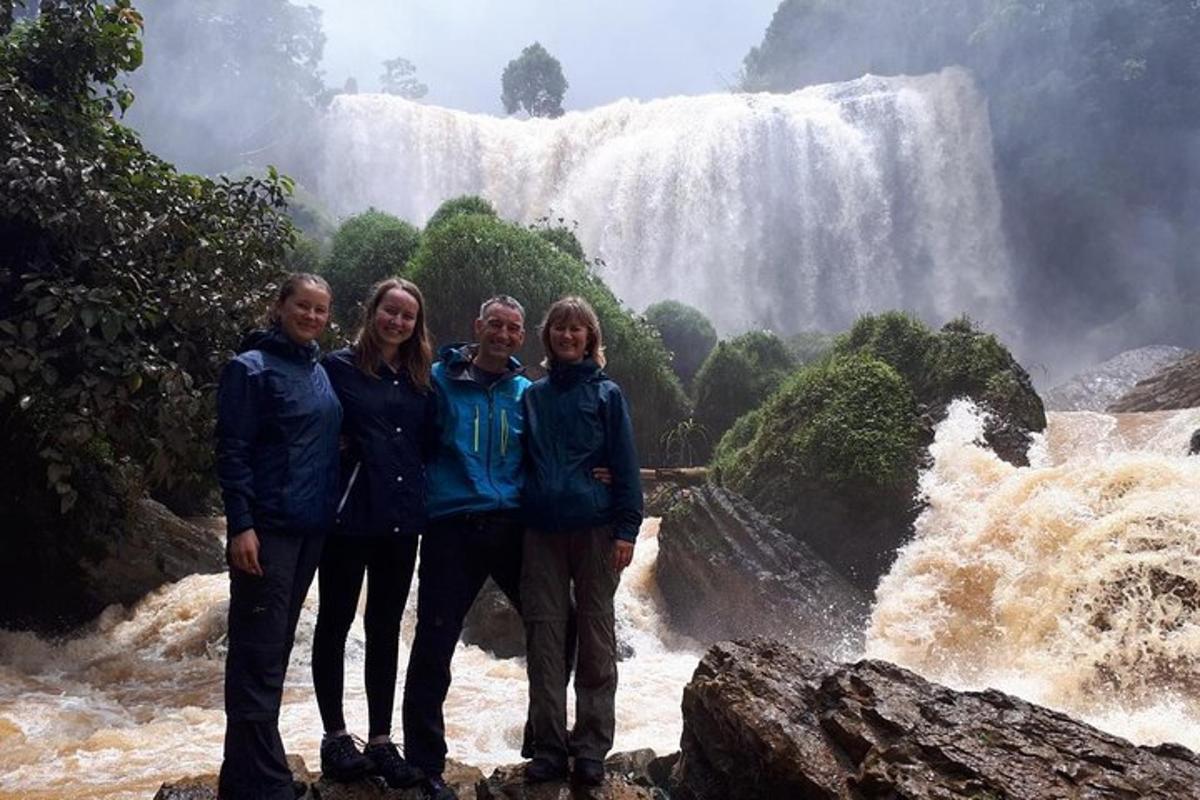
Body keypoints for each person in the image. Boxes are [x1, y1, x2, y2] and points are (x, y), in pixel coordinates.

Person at [215, 273, 342, 800]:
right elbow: (232, 450)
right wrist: (240, 525)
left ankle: (243, 774)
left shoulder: (316, 369)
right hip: (268, 530)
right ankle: (263, 782)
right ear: (280, 306)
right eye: (302, 307)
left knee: (272, 650)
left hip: (309, 529)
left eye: (320, 310)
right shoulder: (250, 370)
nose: (311, 317)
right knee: (257, 653)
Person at [400, 295, 532, 800]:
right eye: (494, 325)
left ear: (521, 337)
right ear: (478, 326)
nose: (501, 334)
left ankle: (541, 741)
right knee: (435, 642)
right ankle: (424, 763)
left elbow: (557, 450)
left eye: (512, 328)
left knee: (554, 628)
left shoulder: (526, 392)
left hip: (511, 526)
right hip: (451, 525)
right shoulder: (438, 381)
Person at [310, 278, 436, 788]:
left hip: (402, 520)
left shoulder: (421, 377)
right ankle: (336, 737)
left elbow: (434, 440)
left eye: (408, 316)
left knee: (384, 629)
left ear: (416, 325)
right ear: (373, 311)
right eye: (391, 311)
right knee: (335, 621)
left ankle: (382, 741)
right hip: (348, 516)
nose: (398, 322)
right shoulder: (336, 368)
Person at [520, 296, 643, 787]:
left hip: (595, 529)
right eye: (559, 329)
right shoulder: (532, 395)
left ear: (591, 338)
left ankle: (591, 746)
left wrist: (627, 529)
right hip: (541, 533)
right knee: (544, 639)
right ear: (548, 336)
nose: (568, 336)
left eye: (578, 330)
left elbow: (626, 463)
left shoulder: (608, 395)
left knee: (596, 638)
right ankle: (549, 748)